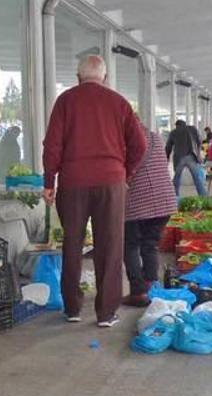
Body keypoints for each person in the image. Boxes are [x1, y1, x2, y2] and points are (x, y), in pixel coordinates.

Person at [42, 54, 146, 327]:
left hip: (73, 182)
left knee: (72, 245)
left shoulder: (66, 100)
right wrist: (126, 172)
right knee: (110, 246)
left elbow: (52, 144)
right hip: (111, 183)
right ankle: (106, 313)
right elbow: (140, 145)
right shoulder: (119, 103)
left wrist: (48, 182)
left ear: (78, 78)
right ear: (105, 78)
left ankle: (73, 308)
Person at [124, 131, 179, 307]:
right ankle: (151, 286)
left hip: (139, 200)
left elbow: (126, 170)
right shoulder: (155, 136)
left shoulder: (126, 139)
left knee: (130, 245)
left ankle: (138, 292)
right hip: (165, 199)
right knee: (150, 243)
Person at [166, 119, 207, 197]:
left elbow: (168, 146)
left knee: (177, 178)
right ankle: (203, 195)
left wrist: (166, 158)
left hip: (179, 157)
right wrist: (198, 154)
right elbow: (199, 141)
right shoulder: (192, 129)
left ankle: (175, 197)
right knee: (197, 177)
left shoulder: (173, 132)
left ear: (177, 125)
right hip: (191, 156)